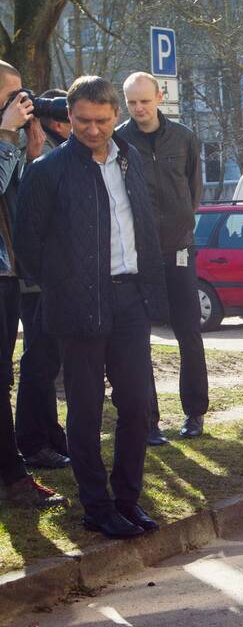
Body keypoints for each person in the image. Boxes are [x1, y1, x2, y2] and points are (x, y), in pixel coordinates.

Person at [16, 76, 168, 538]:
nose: (92, 129)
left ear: (115, 116)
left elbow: (143, 223)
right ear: (69, 117)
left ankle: (127, 500)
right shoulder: (47, 171)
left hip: (129, 300)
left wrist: (149, 289)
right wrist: (65, 281)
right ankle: (96, 507)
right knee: (85, 409)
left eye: (102, 120)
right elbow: (27, 243)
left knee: (138, 407)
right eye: (82, 120)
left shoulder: (130, 160)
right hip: (75, 304)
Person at [117, 72, 208, 444]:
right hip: (138, 254)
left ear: (159, 96)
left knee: (189, 333)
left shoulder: (184, 137)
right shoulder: (119, 140)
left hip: (179, 249)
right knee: (138, 339)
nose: (139, 108)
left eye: (145, 100)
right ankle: (149, 420)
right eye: (132, 102)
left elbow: (194, 189)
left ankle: (195, 413)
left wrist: (183, 225)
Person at [0, 61, 66, 507]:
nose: (21, 102)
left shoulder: (11, 141)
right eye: (11, 95)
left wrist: (31, 156)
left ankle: (12, 474)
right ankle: (13, 478)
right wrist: (6, 138)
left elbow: (20, 205)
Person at [14, 88, 69, 470]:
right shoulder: (36, 149)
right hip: (32, 276)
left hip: (40, 275)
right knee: (39, 361)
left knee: (46, 361)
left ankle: (47, 436)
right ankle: (33, 442)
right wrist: (30, 156)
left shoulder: (43, 146)